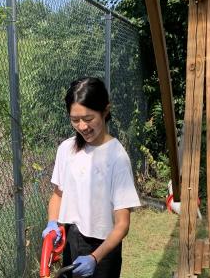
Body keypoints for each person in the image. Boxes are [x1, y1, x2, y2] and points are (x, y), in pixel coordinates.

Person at [41, 77, 141, 278]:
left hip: (104, 249)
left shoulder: (117, 157)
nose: (82, 126)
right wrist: (52, 222)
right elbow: (58, 195)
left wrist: (95, 258)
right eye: (75, 120)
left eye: (88, 119)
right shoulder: (66, 149)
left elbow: (122, 224)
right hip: (71, 240)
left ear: (105, 111)